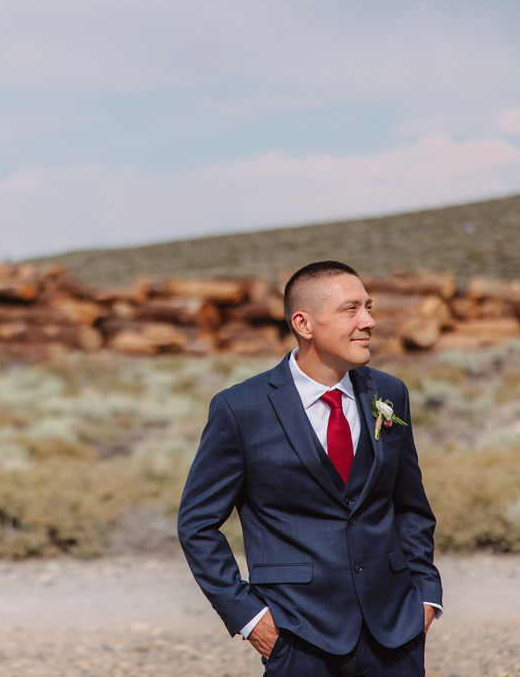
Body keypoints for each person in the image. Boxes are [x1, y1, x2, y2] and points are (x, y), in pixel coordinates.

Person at [177, 261, 442, 676]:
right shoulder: (241, 408)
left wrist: (426, 595)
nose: (368, 321)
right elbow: (197, 525)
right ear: (304, 323)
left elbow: (410, 505)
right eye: (350, 309)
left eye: (368, 307)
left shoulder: (388, 393)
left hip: (396, 630)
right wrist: (250, 618)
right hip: (298, 636)